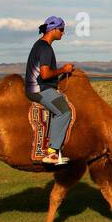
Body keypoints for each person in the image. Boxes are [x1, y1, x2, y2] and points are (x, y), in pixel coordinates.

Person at [25, 16, 76, 166]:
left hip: (38, 87)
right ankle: (52, 153)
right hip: (40, 89)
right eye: (61, 30)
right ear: (53, 29)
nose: (63, 33)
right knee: (64, 111)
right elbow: (45, 74)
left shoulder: (40, 46)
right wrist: (64, 70)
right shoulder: (45, 48)